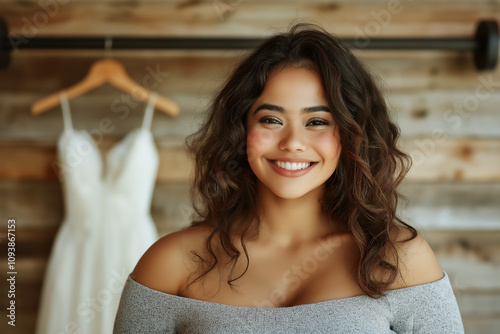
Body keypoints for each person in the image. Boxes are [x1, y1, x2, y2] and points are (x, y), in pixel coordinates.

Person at [113, 22, 465, 333]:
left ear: (350, 134)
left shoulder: (399, 259)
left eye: (317, 122)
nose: (293, 143)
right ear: (241, 129)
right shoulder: (170, 264)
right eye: (271, 120)